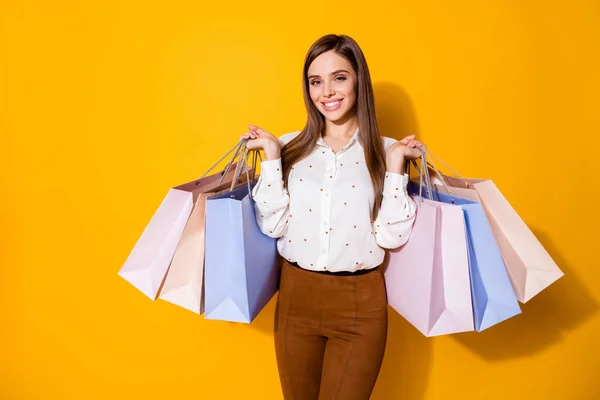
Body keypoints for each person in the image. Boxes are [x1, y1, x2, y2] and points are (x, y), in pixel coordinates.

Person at [239, 34, 425, 400]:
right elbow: (273, 226)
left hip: (360, 303)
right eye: (316, 81)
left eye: (339, 77)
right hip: (296, 297)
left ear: (358, 80)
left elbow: (391, 237)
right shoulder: (290, 146)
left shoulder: (388, 151)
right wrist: (273, 157)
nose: (327, 91)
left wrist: (396, 168)